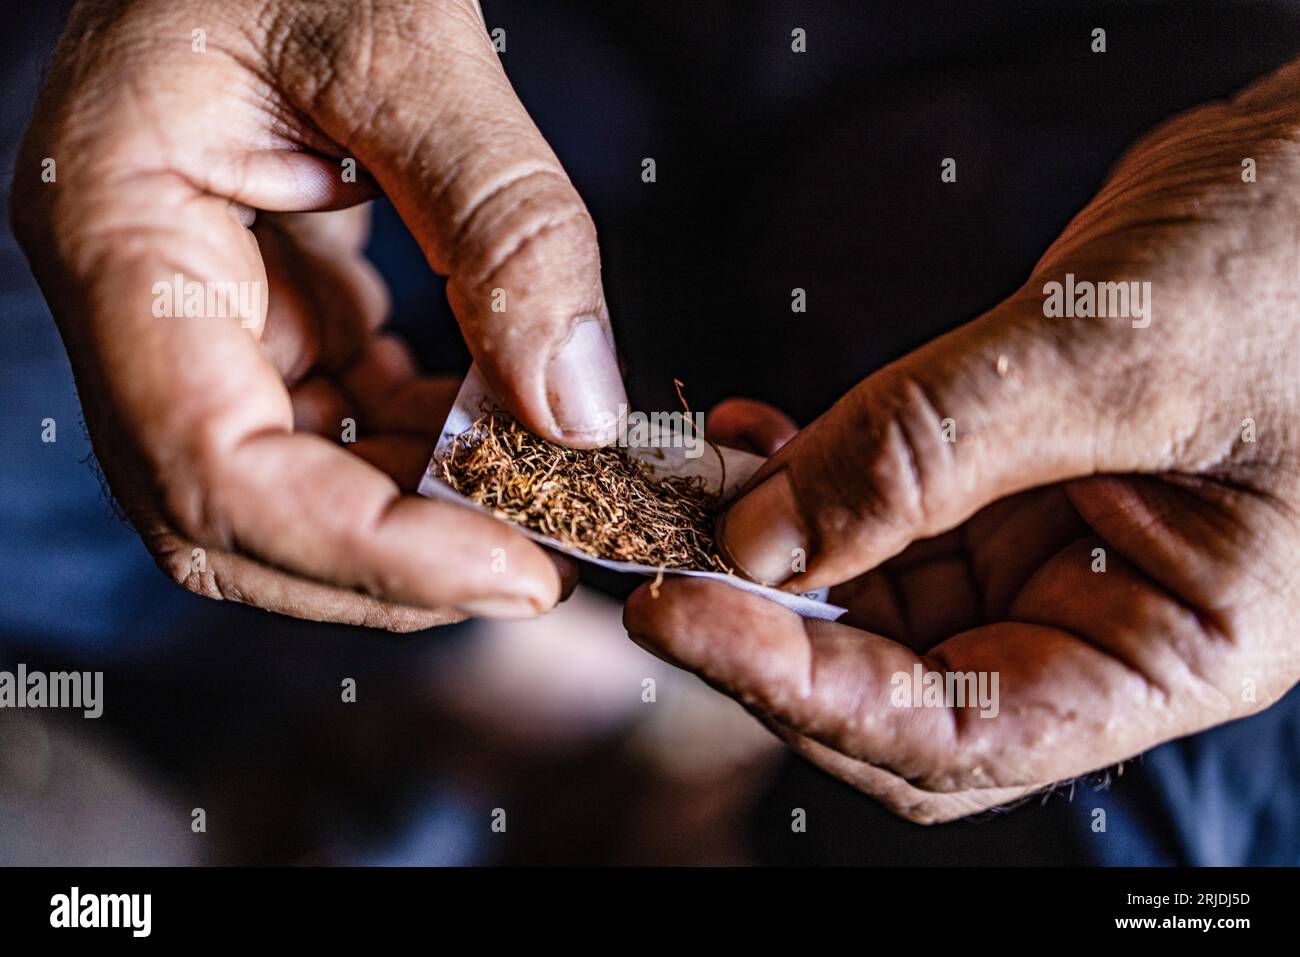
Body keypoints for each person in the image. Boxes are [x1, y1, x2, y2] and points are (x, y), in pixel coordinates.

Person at [11, 0, 1300, 856]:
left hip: (1128, 181)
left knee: (1117, 802)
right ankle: (502, 689)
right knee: (61, 377)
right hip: (516, 50)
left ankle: (544, 710)